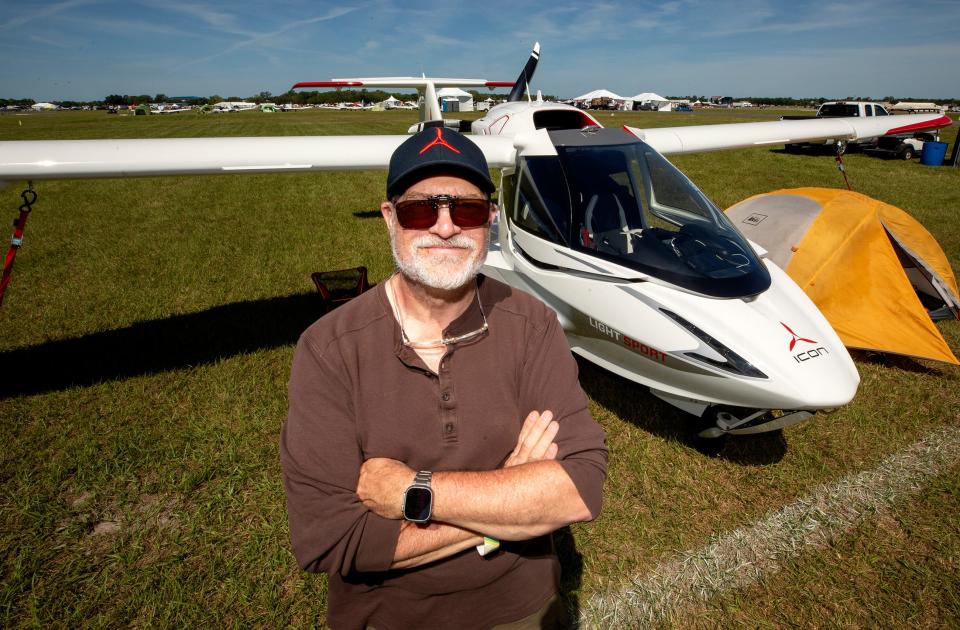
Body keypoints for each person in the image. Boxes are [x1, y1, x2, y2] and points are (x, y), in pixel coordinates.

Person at [280, 126, 607, 630]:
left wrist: (415, 492)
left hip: (522, 608)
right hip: (387, 617)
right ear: (390, 219)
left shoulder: (532, 325)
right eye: (420, 210)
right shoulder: (328, 349)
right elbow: (332, 538)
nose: (445, 226)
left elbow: (579, 489)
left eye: (467, 209)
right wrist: (509, 500)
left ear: (490, 220)